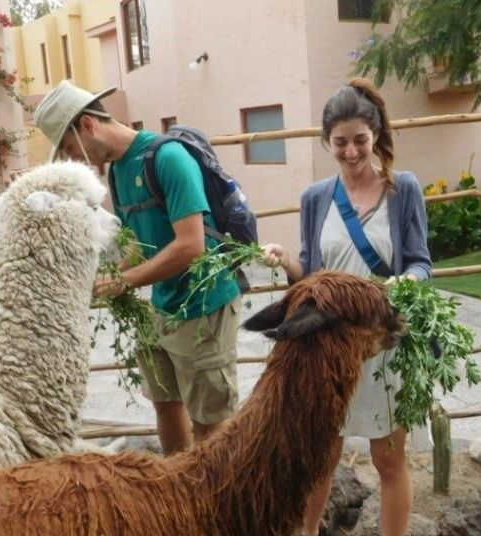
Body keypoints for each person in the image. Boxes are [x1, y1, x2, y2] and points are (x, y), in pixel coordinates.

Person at [261, 78, 432, 536]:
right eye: (341, 143)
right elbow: (313, 274)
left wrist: (404, 283)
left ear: (375, 135)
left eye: (360, 140)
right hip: (328, 350)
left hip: (382, 344)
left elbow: (421, 263)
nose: (352, 152)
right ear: (326, 142)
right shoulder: (316, 198)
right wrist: (286, 261)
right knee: (321, 457)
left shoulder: (403, 190)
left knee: (388, 459)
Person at [33, 81, 241, 455]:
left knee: (210, 422)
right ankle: (174, 491)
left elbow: (191, 245)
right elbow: (137, 244)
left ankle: (214, 504)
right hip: (160, 305)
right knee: (166, 403)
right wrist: (105, 275)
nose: (74, 160)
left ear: (86, 125)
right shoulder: (116, 171)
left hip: (202, 306)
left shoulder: (168, 158)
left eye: (67, 149)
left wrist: (124, 281)